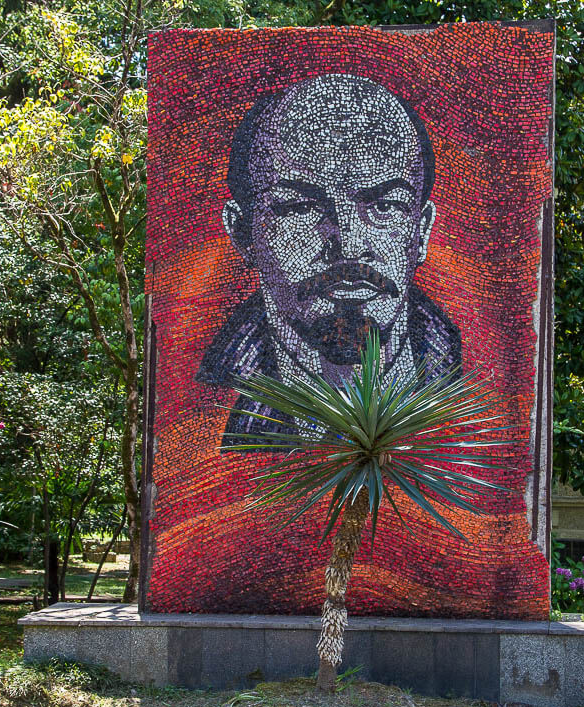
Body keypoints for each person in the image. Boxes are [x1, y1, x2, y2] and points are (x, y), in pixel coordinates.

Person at [197, 73, 462, 444]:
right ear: (243, 233)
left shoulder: (459, 376)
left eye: (385, 205)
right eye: (301, 206)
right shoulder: (208, 394)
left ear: (421, 232)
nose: (350, 245)